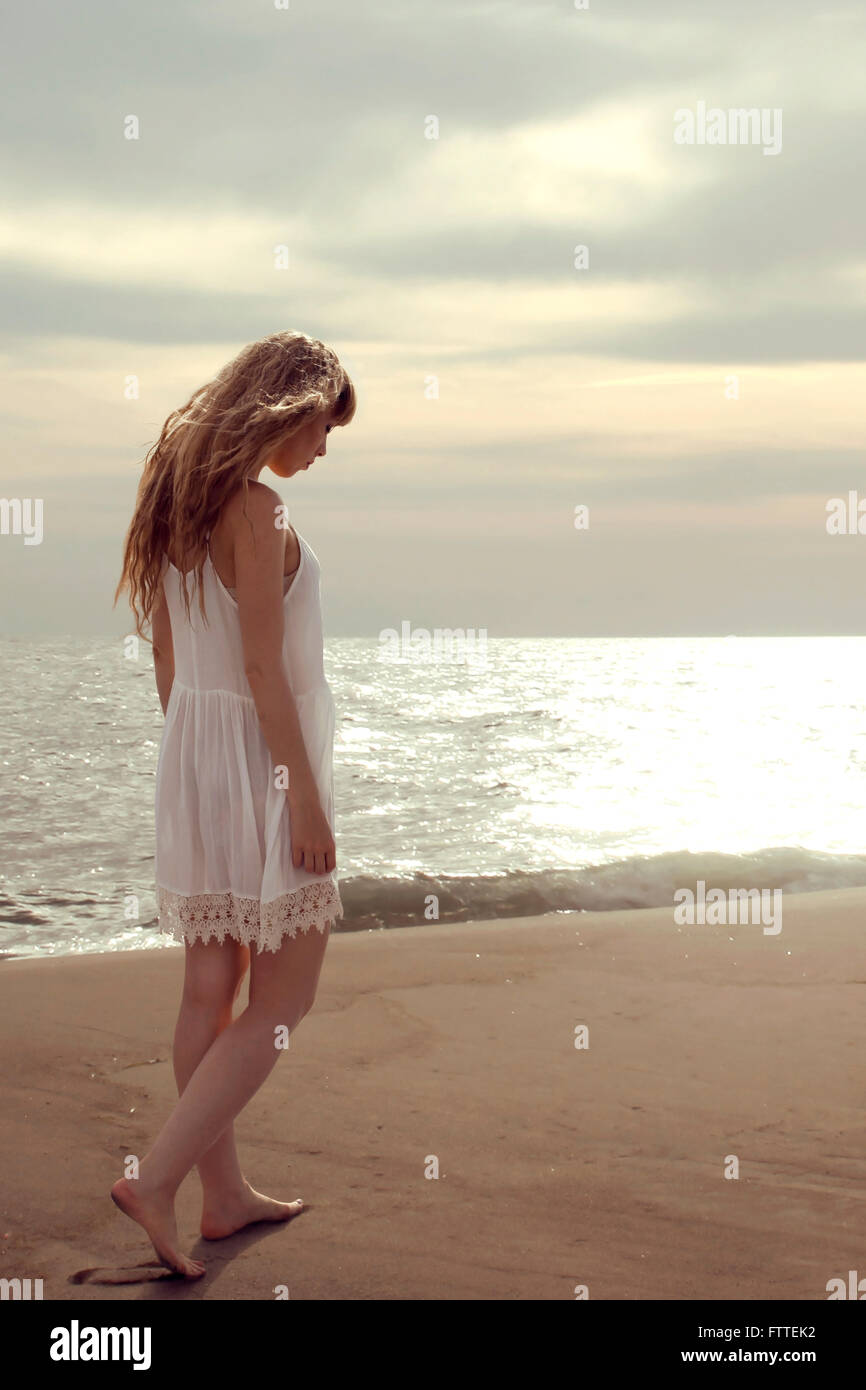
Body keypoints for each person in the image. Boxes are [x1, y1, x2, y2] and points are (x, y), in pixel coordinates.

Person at [112, 330, 356, 1277]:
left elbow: (174, 667)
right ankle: (160, 1177)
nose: (322, 450)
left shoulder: (174, 504)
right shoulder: (256, 510)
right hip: (265, 763)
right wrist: (301, 802)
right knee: (285, 998)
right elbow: (263, 666)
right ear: (286, 404)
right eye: (321, 426)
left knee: (207, 993)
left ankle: (221, 1196)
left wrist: (198, 781)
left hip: (198, 759)